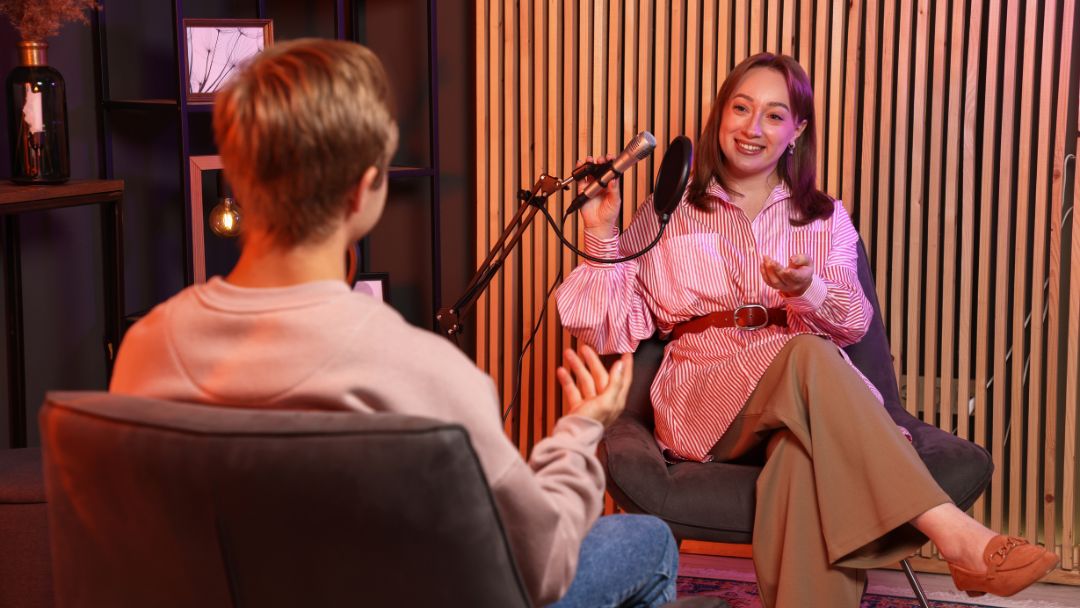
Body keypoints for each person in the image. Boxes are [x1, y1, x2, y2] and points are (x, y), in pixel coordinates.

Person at [109, 39, 681, 608]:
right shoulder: (425, 374)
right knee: (648, 539)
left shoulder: (147, 347)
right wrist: (579, 432)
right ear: (364, 191)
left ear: (236, 175)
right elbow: (539, 566)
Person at [556, 52, 1058, 607]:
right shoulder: (669, 210)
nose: (752, 127)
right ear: (720, 116)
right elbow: (610, 330)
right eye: (741, 108)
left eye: (774, 115)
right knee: (808, 352)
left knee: (801, 459)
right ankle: (955, 534)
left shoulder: (825, 217)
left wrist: (806, 290)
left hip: (809, 403)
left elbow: (854, 323)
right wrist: (602, 232)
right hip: (705, 401)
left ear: (797, 130)